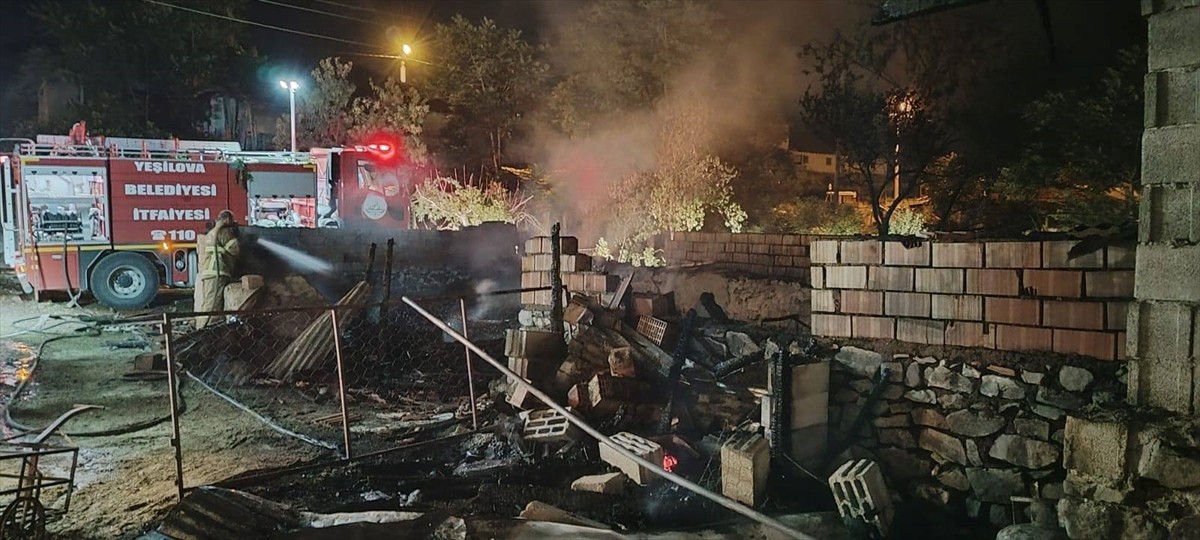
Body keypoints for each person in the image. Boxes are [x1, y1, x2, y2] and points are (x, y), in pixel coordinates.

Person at [194, 210, 241, 327]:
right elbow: (235, 249)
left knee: (208, 302)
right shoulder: (224, 232)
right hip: (217, 271)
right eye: (231, 220)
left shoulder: (212, 232)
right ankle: (207, 330)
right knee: (213, 304)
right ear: (227, 219)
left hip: (209, 272)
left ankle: (202, 327)